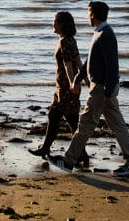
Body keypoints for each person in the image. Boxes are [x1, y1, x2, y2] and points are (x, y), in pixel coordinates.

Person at [48, 1, 129, 177]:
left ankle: (69, 161)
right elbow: (91, 60)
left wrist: (107, 93)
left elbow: (112, 66)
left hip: (101, 88)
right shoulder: (100, 32)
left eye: (88, 12)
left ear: (93, 14)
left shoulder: (105, 34)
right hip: (102, 88)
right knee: (118, 125)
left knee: (85, 123)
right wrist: (77, 78)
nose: (87, 16)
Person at [28, 11, 90, 167]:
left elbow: (70, 64)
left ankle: (81, 154)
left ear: (61, 24)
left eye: (54, 21)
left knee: (71, 121)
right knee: (55, 117)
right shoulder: (70, 40)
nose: (52, 23)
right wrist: (86, 81)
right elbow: (79, 62)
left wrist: (72, 83)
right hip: (62, 89)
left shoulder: (65, 42)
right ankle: (48, 149)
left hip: (65, 88)